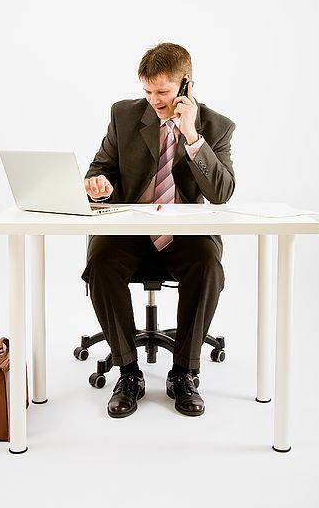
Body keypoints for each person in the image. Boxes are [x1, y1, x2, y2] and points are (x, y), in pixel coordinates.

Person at [82, 42, 235, 418]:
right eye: (147, 91)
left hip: (184, 234)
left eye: (163, 92)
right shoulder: (123, 115)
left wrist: (192, 137)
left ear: (186, 84)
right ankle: (128, 372)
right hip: (132, 233)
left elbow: (222, 193)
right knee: (101, 260)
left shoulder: (215, 126)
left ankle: (184, 373)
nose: (153, 99)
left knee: (207, 264)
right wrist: (97, 182)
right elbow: (101, 166)